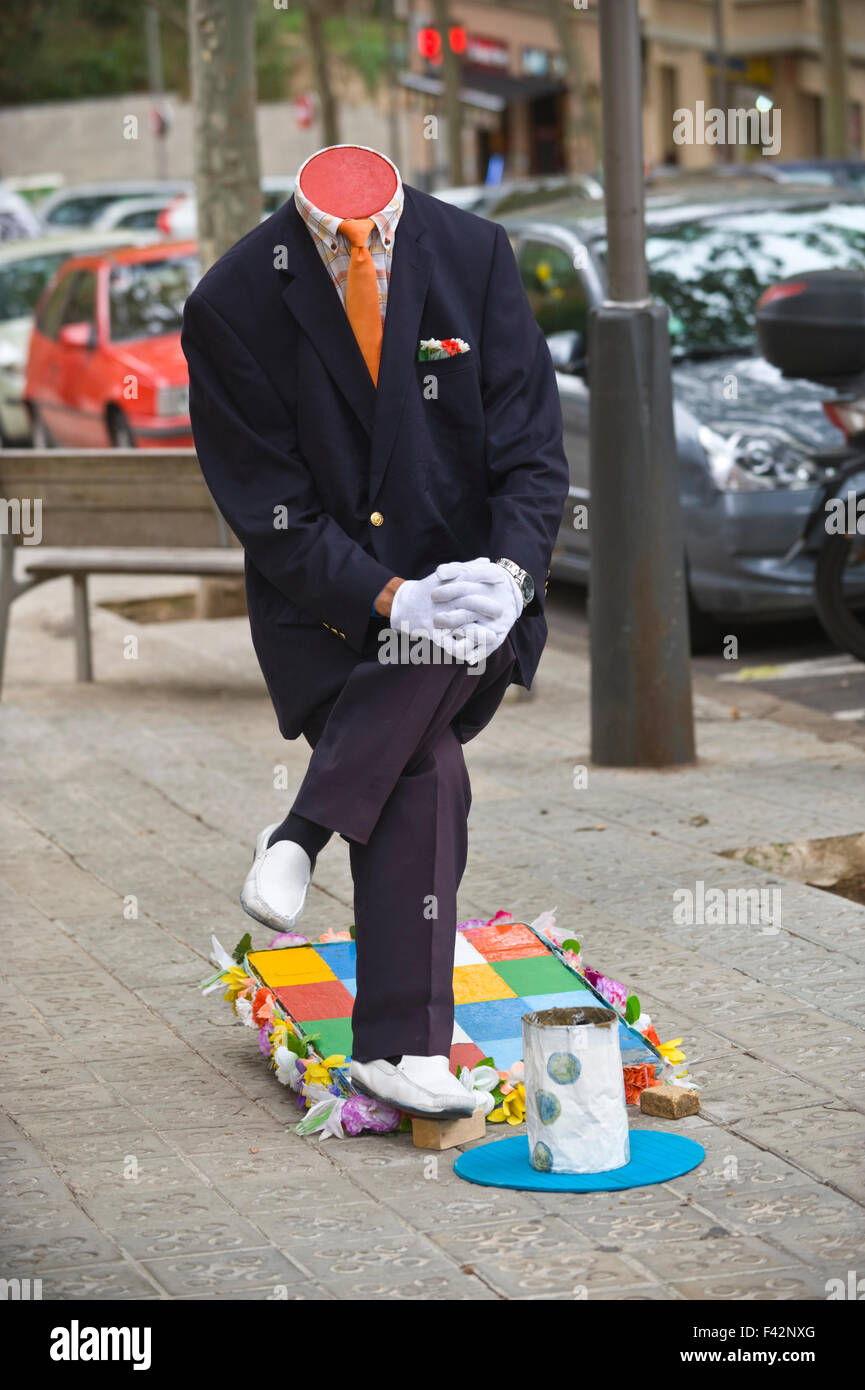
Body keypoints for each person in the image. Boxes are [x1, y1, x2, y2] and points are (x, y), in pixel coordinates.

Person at [181, 145, 569, 1118]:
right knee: (427, 772)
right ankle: (401, 1050)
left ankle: (300, 829)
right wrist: (395, 598)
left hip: (477, 611)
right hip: (330, 624)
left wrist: (509, 576)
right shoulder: (231, 301)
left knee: (439, 666)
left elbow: (532, 453)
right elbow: (269, 511)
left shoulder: (475, 254)